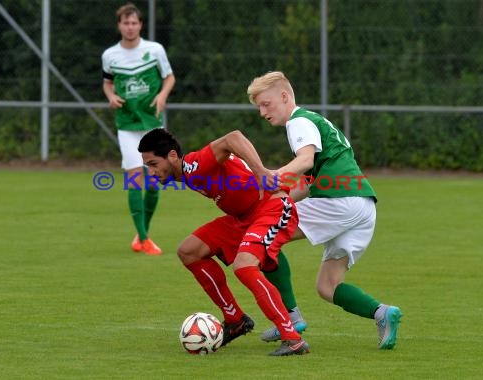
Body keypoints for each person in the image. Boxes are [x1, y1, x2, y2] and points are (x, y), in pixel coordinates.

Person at [247, 71, 403, 350]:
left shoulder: (298, 122)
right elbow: (308, 183)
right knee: (327, 286)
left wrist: (272, 176)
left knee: (261, 239)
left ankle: (290, 318)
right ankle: (383, 313)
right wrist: (279, 198)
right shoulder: (315, 121)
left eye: (266, 103)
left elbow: (305, 161)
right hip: (363, 205)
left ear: (284, 97)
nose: (262, 112)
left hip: (339, 201)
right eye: (258, 106)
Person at [138, 128, 310, 356]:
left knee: (245, 267)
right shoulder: (187, 174)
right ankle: (235, 319)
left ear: (171, 156)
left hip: (271, 208)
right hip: (242, 219)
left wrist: (260, 172)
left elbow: (233, 137)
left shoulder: (195, 164)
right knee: (189, 251)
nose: (151, 172)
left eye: (153, 164)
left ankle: (292, 338)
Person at [102, 2, 175, 255]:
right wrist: (110, 96)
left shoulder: (154, 50)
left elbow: (169, 77)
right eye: (125, 23)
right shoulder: (110, 55)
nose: (130, 27)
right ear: (119, 25)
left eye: (134, 23)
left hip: (153, 123)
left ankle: (141, 235)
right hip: (127, 124)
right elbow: (107, 83)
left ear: (140, 25)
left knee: (155, 182)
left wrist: (163, 95)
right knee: (134, 179)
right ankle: (144, 239)